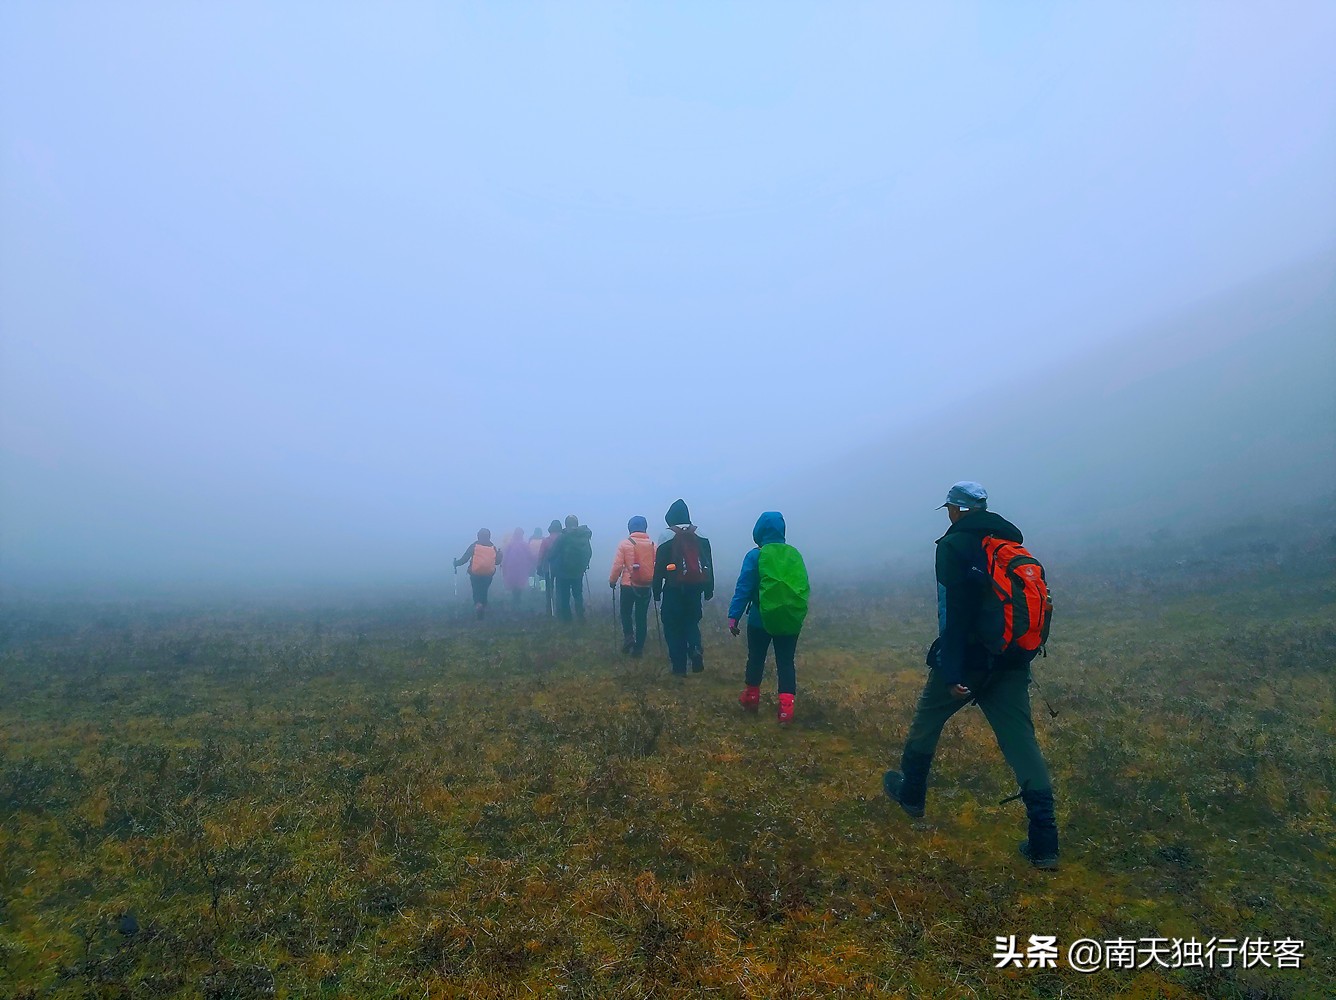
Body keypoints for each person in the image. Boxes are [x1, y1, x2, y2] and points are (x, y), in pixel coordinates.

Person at [882, 482, 1060, 869]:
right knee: (1021, 742)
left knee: (928, 719)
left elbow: (954, 613)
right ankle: (1045, 841)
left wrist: (952, 669)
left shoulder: (953, 546)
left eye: (949, 508)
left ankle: (911, 794)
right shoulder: (1010, 545)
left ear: (958, 510)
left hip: (972, 659)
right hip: (1012, 660)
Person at [727, 511, 808, 725]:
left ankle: (751, 699)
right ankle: (786, 710)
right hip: (789, 618)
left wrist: (733, 616)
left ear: (759, 530)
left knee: (756, 657)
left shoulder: (755, 555)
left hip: (759, 618)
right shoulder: (793, 554)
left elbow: (744, 588)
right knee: (786, 662)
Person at [652, 499, 714, 677]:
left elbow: (659, 566)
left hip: (673, 589)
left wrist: (656, 590)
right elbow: (708, 562)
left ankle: (679, 667)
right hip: (696, 587)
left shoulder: (666, 535)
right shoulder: (701, 533)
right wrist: (709, 587)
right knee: (691, 621)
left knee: (673, 626)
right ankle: (695, 648)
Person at [609, 515, 656, 657]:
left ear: (630, 528)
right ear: (645, 527)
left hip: (628, 585)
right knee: (641, 616)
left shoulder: (624, 544)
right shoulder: (653, 544)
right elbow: (656, 565)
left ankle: (629, 637)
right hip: (646, 585)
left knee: (625, 612)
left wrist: (612, 581)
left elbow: (617, 565)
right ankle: (638, 648)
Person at [548, 514, 593, 623]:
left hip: (563, 572)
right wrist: (583, 565)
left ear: (566, 524)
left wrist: (549, 559)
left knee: (564, 595)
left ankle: (567, 619)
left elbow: (553, 553)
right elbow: (589, 552)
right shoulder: (583, 535)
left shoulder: (563, 536)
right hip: (578, 571)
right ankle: (580, 616)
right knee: (578, 594)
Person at [453, 528, 502, 620]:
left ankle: (478, 605)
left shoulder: (474, 546)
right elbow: (497, 562)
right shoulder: (493, 547)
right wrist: (500, 555)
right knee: (484, 590)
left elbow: (465, 558)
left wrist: (456, 563)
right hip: (488, 574)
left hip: (475, 573)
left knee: (476, 590)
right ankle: (482, 605)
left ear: (478, 535)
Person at [501, 528, 535, 610]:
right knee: (519, 583)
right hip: (522, 567)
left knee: (513, 583)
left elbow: (505, 557)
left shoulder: (510, 545)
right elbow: (530, 555)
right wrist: (531, 565)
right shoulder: (524, 544)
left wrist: (504, 566)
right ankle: (517, 599)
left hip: (511, 567)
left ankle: (515, 599)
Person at [537, 519, 563, 616]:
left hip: (548, 568)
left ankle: (549, 609)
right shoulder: (563, 539)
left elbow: (541, 555)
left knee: (549, 589)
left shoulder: (546, 540)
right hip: (561, 568)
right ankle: (560, 608)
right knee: (560, 589)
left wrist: (539, 566)